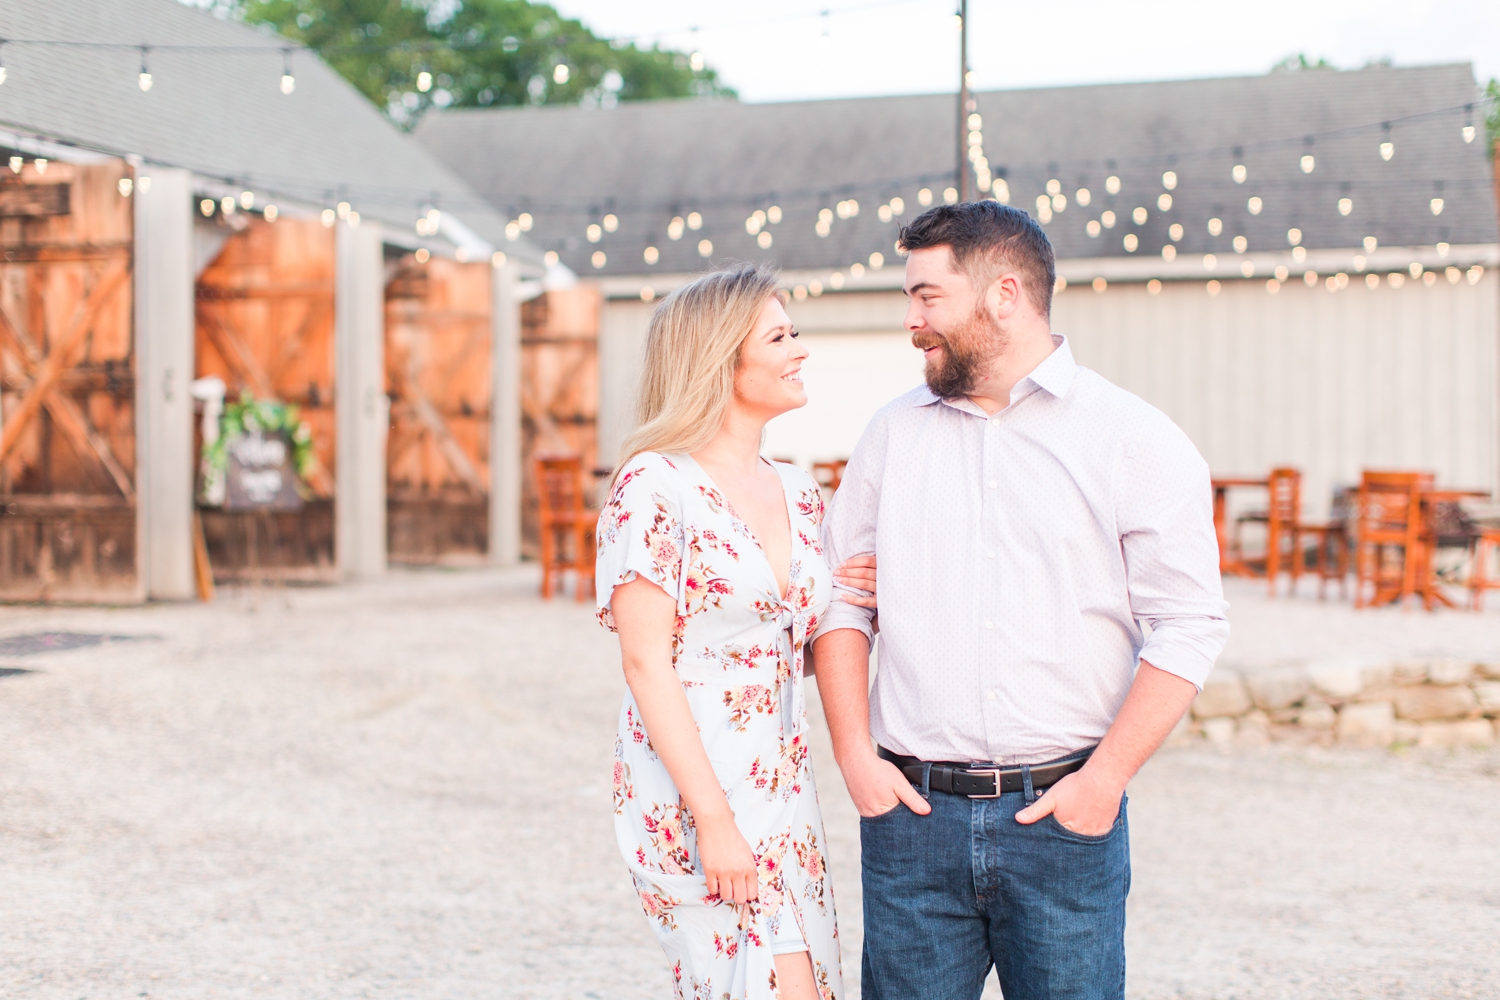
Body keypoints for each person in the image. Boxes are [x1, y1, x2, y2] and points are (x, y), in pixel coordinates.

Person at [813, 201, 1230, 1000]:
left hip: (1065, 821)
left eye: (928, 297)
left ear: (1003, 294)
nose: (911, 320)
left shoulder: (1133, 438)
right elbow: (842, 602)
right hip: (911, 822)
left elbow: (1188, 624)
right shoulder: (889, 435)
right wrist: (854, 757)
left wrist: (1104, 781)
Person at [596, 265, 874, 1000]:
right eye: (780, 336)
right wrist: (714, 820)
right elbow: (646, 664)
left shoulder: (797, 488)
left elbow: (787, 651)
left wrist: (866, 592)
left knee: (808, 985)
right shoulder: (654, 486)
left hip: (785, 784)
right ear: (722, 359)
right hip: (699, 787)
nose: (800, 350)